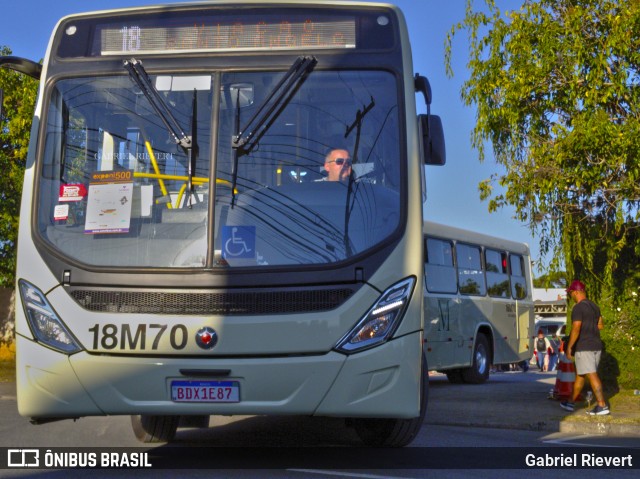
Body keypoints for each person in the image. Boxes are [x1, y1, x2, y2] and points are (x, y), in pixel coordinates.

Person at [560, 280, 610, 415]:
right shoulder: (594, 306)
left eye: (570, 293)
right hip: (596, 345)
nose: (570, 296)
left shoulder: (578, 308)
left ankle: (602, 405)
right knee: (581, 376)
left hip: (584, 346)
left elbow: (576, 327)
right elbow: (600, 326)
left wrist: (569, 346)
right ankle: (570, 402)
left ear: (576, 292)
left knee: (592, 374)